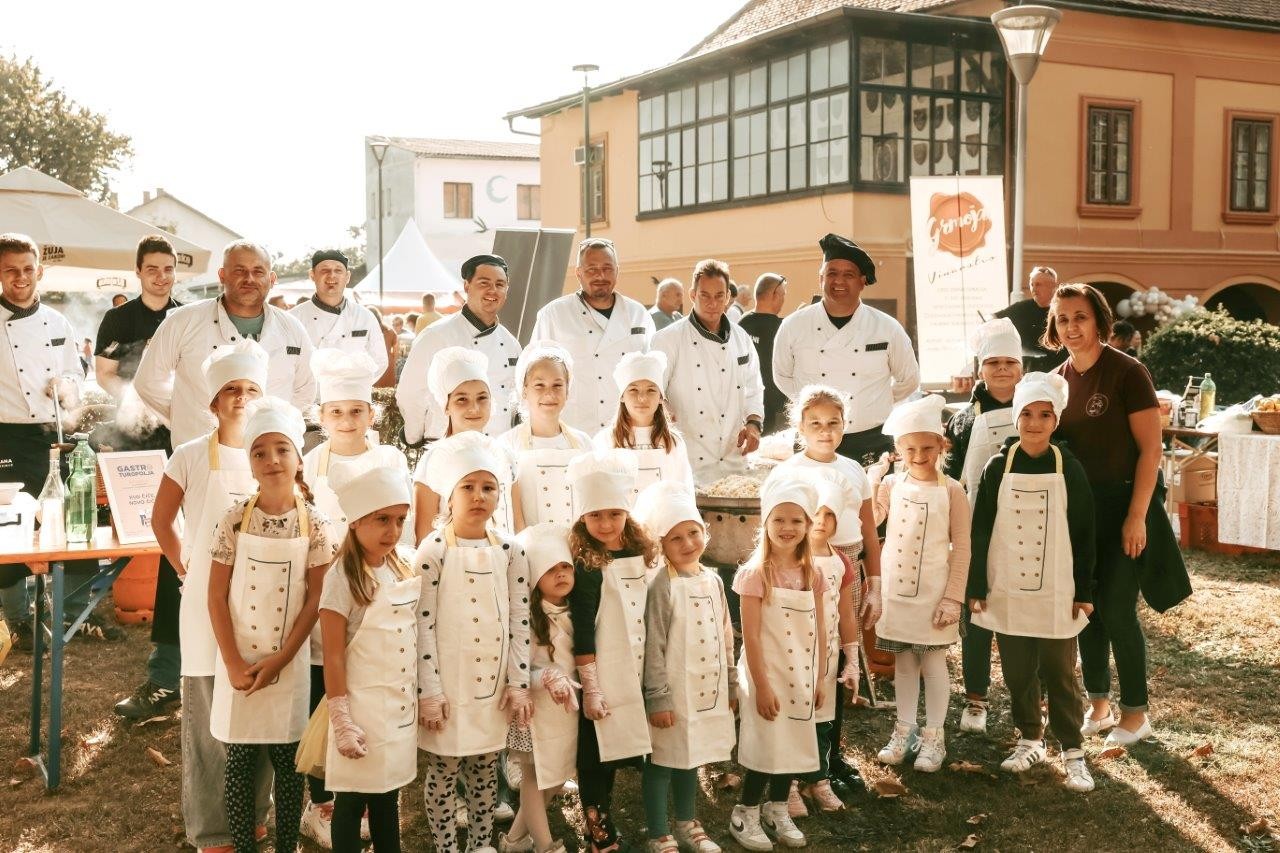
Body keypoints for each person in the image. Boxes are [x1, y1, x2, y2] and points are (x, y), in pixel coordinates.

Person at [1046, 283, 1189, 747]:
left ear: (1099, 321)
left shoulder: (1128, 372)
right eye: (1063, 318)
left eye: (1080, 317)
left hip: (1125, 503)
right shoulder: (1055, 381)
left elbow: (1151, 450)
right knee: (1085, 607)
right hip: (1077, 512)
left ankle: (1136, 713)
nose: (1071, 327)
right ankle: (1099, 705)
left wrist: (1137, 516)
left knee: (1118, 607)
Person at [151, 341, 273, 850]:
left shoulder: (273, 453)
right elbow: (162, 520)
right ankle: (213, 829)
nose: (241, 398)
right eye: (231, 390)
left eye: (251, 389)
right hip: (205, 601)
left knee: (260, 708)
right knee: (207, 718)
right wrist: (186, 566)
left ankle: (255, 814)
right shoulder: (189, 455)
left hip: (265, 600)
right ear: (213, 402)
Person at [207, 397, 337, 853]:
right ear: (250, 463)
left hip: (289, 661)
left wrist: (282, 658)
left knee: (288, 763)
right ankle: (245, 846)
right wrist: (232, 662)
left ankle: (286, 848)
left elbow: (316, 598)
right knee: (240, 764)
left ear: (299, 458)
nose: (272, 460)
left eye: (282, 449)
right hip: (239, 661)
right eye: (260, 452)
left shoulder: (315, 524)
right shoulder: (234, 519)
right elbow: (215, 596)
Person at [968, 372, 1098, 793]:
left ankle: (1073, 750)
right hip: (1006, 584)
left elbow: (1084, 533)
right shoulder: (997, 466)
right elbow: (980, 529)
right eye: (1027, 414)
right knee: (1018, 670)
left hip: (1057, 587)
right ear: (1015, 417)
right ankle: (1030, 737)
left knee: (1060, 671)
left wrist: (1084, 590)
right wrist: (976, 585)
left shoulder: (1069, 467)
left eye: (1044, 415)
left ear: (1056, 420)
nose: (1035, 423)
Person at [300, 349, 407, 847]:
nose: (347, 420)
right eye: (337, 412)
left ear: (372, 413)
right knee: (327, 684)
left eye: (357, 411)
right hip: (330, 586)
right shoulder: (311, 463)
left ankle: (369, 795)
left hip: (378, 585)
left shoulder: (389, 459)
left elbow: (400, 523)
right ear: (322, 416)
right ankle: (323, 802)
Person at [413, 431, 531, 853]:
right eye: (468, 487)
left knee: (484, 772)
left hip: (492, 689)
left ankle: (481, 843)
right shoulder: (432, 551)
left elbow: (520, 620)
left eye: (488, 487)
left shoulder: (512, 550)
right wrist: (430, 691)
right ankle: (445, 846)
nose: (479, 496)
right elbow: (421, 624)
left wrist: (518, 682)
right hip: (448, 688)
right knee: (444, 773)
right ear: (449, 495)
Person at [0, 233, 117, 650]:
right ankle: (19, 619)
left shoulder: (57, 321)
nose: (20, 277)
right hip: (7, 435)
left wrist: (66, 384)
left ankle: (71, 612)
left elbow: (76, 371)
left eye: (27, 269)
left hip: (55, 432)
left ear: (40, 272)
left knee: (70, 519)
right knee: (12, 528)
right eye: (11, 270)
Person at [319, 464, 419, 852]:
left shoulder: (400, 566)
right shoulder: (341, 578)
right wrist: (341, 718)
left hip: (395, 705)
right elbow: (333, 655)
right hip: (358, 708)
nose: (393, 531)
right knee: (351, 799)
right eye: (382, 519)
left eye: (400, 520)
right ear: (356, 521)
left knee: (387, 796)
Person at [134, 239, 316, 449]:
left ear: (272, 279)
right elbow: (148, 382)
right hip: (200, 451)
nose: (249, 279)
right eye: (239, 271)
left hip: (269, 452)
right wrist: (187, 419)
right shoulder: (183, 321)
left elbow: (305, 388)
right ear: (222, 276)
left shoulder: (292, 328)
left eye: (258, 271)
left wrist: (277, 425)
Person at [870, 395, 970, 774]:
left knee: (933, 663)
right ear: (898, 449)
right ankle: (905, 730)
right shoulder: (891, 484)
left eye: (927, 447)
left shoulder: (953, 490)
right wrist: (873, 480)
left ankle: (934, 736)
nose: (919, 456)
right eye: (910, 449)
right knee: (904, 663)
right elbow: (873, 520)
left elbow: (963, 548)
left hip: (933, 592)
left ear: (941, 445)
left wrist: (953, 598)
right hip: (896, 592)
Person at [635, 481, 735, 853]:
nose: (688, 543)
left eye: (693, 532)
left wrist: (730, 682)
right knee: (663, 759)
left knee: (692, 755)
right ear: (661, 545)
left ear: (704, 532)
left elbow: (726, 636)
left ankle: (686, 822)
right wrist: (658, 697)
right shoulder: (661, 586)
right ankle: (658, 832)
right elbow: (655, 646)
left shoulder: (714, 581)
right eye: (675, 538)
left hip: (707, 690)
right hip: (673, 693)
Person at [567, 450, 659, 853]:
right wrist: (591, 686)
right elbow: (583, 630)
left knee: (621, 742)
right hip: (602, 667)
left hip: (637, 662)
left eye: (614, 514)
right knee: (595, 753)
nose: (605, 524)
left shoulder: (640, 552)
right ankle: (598, 827)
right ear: (582, 518)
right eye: (595, 516)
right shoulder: (587, 564)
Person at [729, 473, 825, 853]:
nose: (788, 527)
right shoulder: (755, 575)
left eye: (796, 520)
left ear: (808, 525)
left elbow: (820, 631)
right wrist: (762, 686)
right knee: (768, 743)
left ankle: (778, 807)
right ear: (765, 523)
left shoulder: (812, 574)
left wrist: (820, 678)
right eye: (779, 519)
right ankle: (746, 810)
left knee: (794, 740)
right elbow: (751, 637)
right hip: (765, 673)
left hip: (801, 672)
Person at [941, 317, 1024, 734]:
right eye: (993, 363)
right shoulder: (962, 419)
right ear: (980, 368)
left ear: (1022, 367)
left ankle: (1031, 696)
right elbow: (951, 475)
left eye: (1010, 362)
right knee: (975, 611)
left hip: (1026, 524)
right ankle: (976, 699)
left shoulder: (1038, 409)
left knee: (1021, 612)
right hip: (977, 526)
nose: (1002, 370)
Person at [773, 233, 919, 467]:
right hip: (814, 440)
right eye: (832, 273)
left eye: (848, 274)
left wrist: (874, 401)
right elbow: (781, 376)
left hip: (871, 439)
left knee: (874, 492)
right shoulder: (793, 326)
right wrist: (815, 408)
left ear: (862, 281)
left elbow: (909, 379)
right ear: (821, 278)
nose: (839, 281)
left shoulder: (886, 328)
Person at [500, 523, 581, 853]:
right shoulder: (530, 619)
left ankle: (514, 840)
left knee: (557, 775)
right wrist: (546, 677)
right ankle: (546, 846)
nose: (560, 574)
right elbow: (520, 667)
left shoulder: (576, 610)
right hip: (534, 711)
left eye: (565, 567)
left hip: (565, 711)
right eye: (550, 570)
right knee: (535, 778)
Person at [651, 259, 764, 485]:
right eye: (705, 295)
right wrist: (662, 406)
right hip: (687, 460)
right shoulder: (668, 339)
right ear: (692, 295)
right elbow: (652, 389)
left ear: (728, 297)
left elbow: (754, 388)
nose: (712, 303)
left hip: (734, 458)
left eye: (719, 296)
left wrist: (753, 423)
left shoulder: (741, 338)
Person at [789, 471, 863, 816]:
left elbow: (846, 614)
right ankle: (788, 782)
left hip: (829, 655)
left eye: (829, 515)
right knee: (795, 718)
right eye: (815, 513)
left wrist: (852, 658)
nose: (820, 521)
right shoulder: (792, 558)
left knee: (822, 719)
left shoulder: (841, 561)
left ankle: (818, 779)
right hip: (796, 652)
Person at [530, 238, 654, 434]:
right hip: (572, 426)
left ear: (617, 271)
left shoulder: (638, 314)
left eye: (607, 268)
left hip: (626, 427)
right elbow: (532, 374)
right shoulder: (553, 315)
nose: (600, 275)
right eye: (592, 269)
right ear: (578, 273)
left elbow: (652, 372)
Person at [397, 254, 520, 445]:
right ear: (466, 286)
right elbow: (410, 393)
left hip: (498, 445)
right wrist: (415, 438)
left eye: (500, 284)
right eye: (484, 283)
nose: (493, 290)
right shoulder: (436, 335)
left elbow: (515, 397)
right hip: (447, 443)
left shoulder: (510, 343)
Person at [411, 347, 516, 542]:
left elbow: (515, 525)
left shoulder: (505, 454)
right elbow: (424, 536)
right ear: (446, 406)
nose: (474, 408)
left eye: (482, 398)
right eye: (462, 400)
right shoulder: (433, 460)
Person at [497, 342, 594, 530]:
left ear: (568, 391)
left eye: (557, 385)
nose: (549, 393)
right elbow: (507, 514)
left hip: (577, 544)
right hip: (527, 544)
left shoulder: (584, 443)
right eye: (539, 385)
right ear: (524, 390)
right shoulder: (507, 444)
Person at [95, 235, 183, 420]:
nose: (162, 276)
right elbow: (104, 374)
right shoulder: (117, 318)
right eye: (152, 269)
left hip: (180, 419)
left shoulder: (188, 316)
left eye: (168, 269)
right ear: (138, 271)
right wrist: (137, 401)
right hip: (133, 421)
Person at [593, 351, 693, 494]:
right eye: (633, 390)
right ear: (622, 396)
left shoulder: (674, 442)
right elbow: (598, 493)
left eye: (651, 390)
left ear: (661, 397)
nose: (642, 398)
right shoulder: (604, 441)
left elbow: (684, 492)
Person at [287, 250, 388, 380]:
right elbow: (285, 363)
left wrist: (356, 385)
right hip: (310, 391)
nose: (331, 275)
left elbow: (379, 361)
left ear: (347, 277)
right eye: (325, 270)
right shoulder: (293, 318)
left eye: (338, 270)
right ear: (312, 275)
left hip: (353, 390)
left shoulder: (365, 317)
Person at [738, 274, 789, 434]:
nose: (783, 300)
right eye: (783, 295)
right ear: (774, 295)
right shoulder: (782, 328)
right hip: (775, 409)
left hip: (746, 407)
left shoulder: (741, 323)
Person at [995, 266, 1067, 373]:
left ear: (1052, 286)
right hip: (1028, 372)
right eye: (1032, 284)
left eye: (1038, 284)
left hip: (1060, 371)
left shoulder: (1065, 309)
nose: (1034, 289)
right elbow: (992, 319)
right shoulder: (1021, 308)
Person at [366, 306, 398, 389]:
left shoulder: (366, 331)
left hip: (374, 364)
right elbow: (396, 352)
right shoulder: (390, 331)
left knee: (373, 392)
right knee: (388, 392)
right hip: (388, 364)